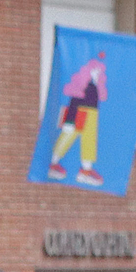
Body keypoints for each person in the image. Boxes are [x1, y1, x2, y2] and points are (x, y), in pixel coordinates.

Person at [47, 50, 106, 187]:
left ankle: (86, 170)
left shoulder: (97, 86)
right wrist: (69, 120)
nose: (97, 72)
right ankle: (53, 164)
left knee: (89, 140)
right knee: (68, 135)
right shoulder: (82, 82)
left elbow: (99, 97)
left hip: (92, 113)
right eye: (95, 69)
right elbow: (74, 99)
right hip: (79, 112)